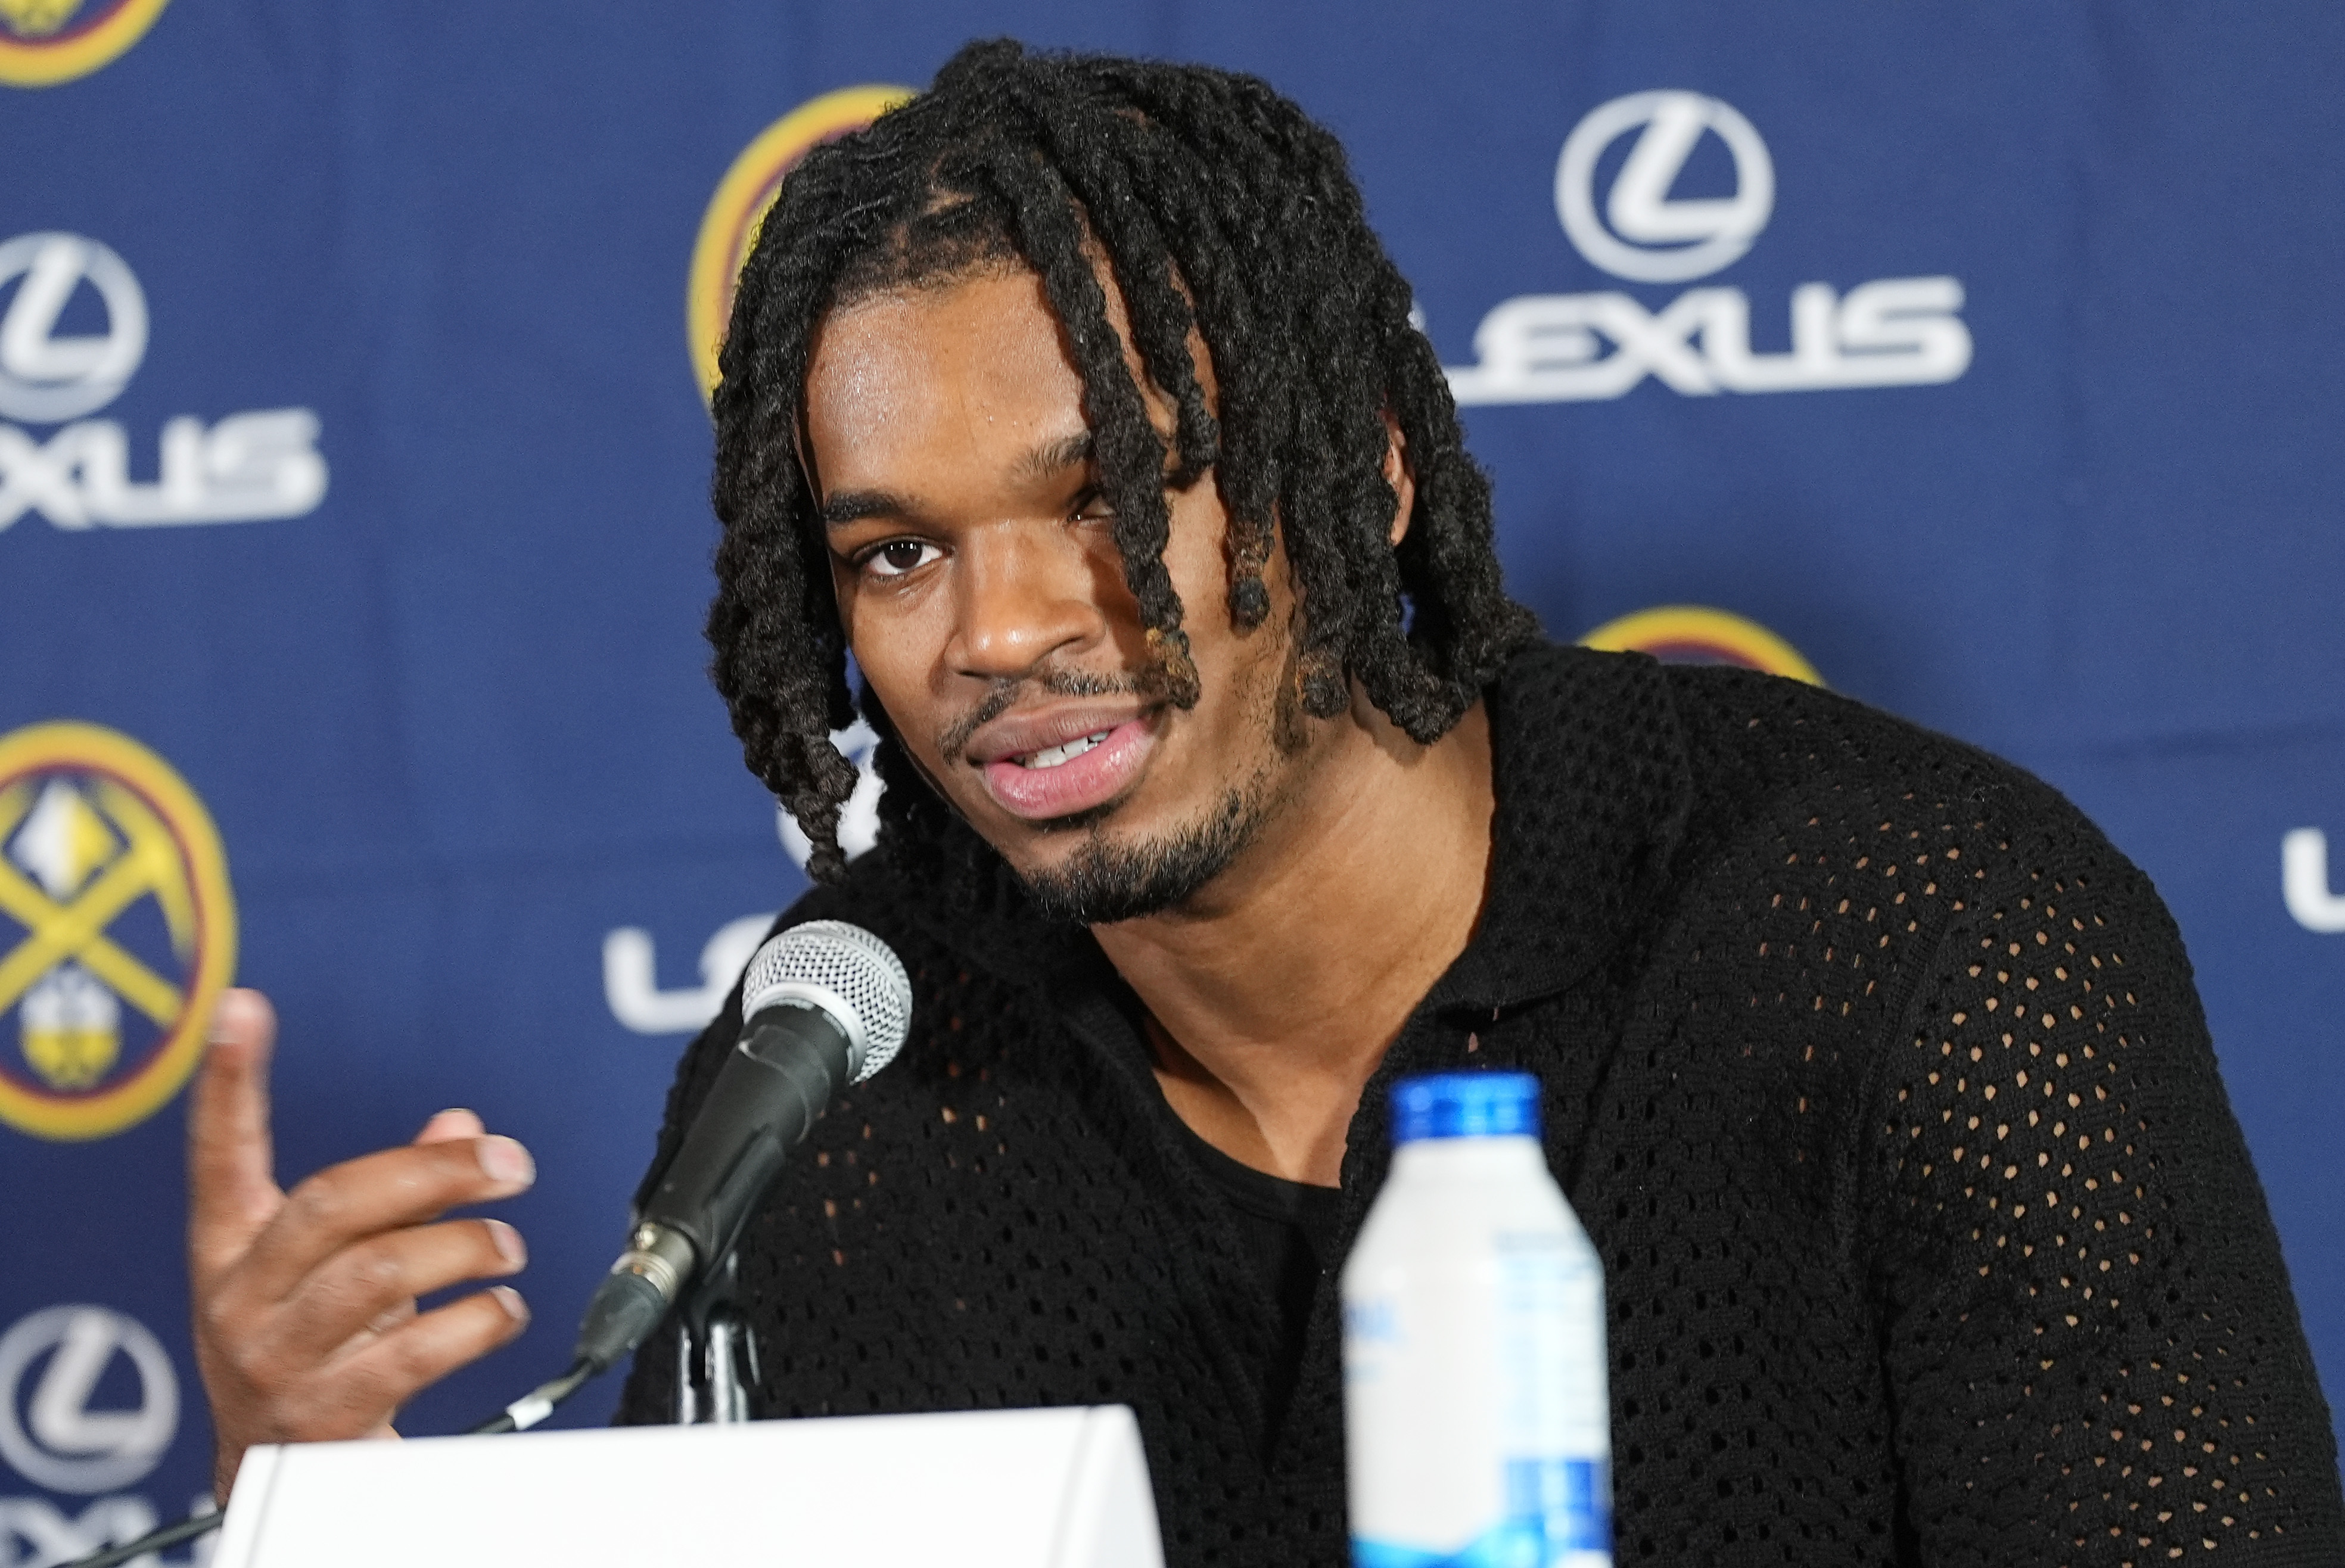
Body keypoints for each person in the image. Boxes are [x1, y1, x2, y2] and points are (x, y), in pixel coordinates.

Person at [187, 40, 2343, 1567]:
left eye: (1106, 492)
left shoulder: (1916, 940)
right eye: (898, 552)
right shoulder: (843, 1085)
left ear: (1364, 476)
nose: (998, 632)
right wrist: (344, 1525)